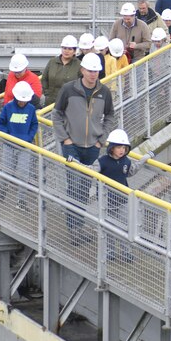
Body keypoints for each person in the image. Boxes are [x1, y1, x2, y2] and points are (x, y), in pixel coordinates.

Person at [54, 53, 115, 239]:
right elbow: (56, 115)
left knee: (85, 187)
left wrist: (101, 140)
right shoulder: (68, 89)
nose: (93, 74)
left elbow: (111, 116)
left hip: (93, 147)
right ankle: (73, 229)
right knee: (73, 185)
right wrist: (65, 139)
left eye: (96, 71)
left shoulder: (104, 92)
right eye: (90, 70)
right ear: (82, 71)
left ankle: (78, 226)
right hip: (71, 145)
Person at [87, 128, 152, 262]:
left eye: (124, 147)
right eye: (118, 147)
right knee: (108, 227)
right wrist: (74, 162)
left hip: (123, 199)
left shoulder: (126, 161)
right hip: (106, 201)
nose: (122, 150)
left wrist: (145, 158)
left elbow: (131, 171)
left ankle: (126, 252)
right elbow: (90, 170)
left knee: (126, 226)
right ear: (111, 148)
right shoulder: (102, 161)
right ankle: (110, 251)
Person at [0, 80, 39, 209]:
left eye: (25, 100)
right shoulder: (8, 107)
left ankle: (21, 200)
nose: (23, 102)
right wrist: (8, 136)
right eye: (21, 100)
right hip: (9, 145)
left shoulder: (31, 109)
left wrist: (29, 138)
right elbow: (1, 124)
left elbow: (34, 125)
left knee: (24, 173)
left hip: (25, 146)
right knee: (6, 170)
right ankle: (2, 191)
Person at [40, 34, 81, 106]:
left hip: (69, 104)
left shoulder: (79, 65)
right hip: (50, 103)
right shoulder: (52, 62)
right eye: (64, 48)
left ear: (74, 51)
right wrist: (47, 95)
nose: (66, 51)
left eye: (70, 49)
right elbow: (44, 79)